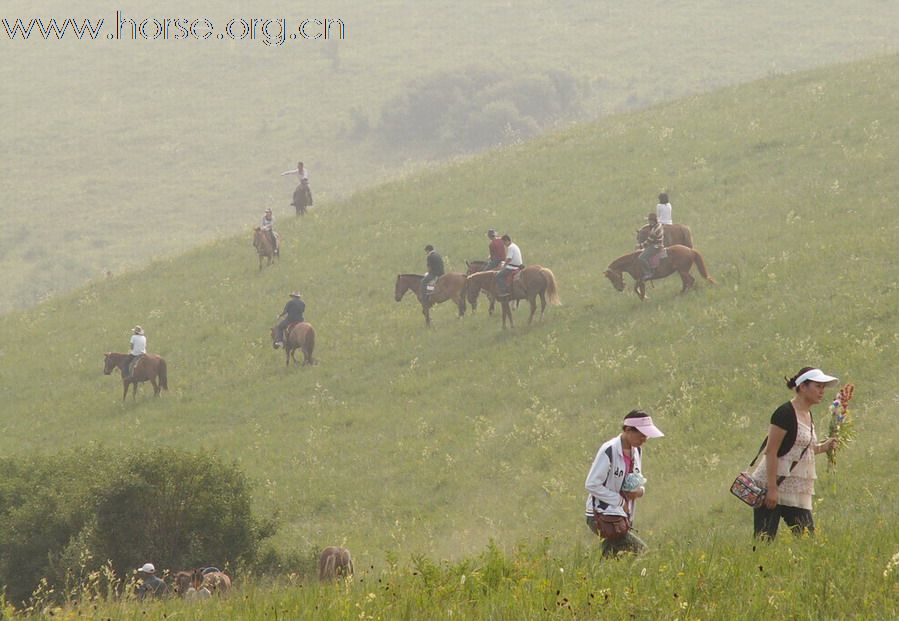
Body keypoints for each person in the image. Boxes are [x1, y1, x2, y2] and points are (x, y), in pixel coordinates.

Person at [751, 367, 840, 540]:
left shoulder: (807, 414)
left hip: (796, 489)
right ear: (802, 387)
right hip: (773, 485)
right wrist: (772, 489)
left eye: (823, 387)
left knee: (808, 539)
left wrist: (824, 447)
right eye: (818, 386)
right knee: (764, 540)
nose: (822, 391)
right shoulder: (784, 413)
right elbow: (771, 451)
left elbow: (801, 449)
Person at [585, 410, 664, 557]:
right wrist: (620, 501)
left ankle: (595, 575)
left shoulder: (637, 451)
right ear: (628, 430)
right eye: (642, 434)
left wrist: (639, 491)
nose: (645, 439)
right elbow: (591, 484)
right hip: (603, 515)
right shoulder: (609, 450)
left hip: (621, 517)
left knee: (610, 558)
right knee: (644, 552)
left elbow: (634, 481)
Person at [638, 213, 664, 281]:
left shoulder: (654, 230)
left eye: (650, 221)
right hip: (658, 244)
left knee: (641, 258)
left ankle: (648, 273)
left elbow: (648, 242)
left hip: (656, 246)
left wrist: (640, 246)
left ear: (653, 221)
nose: (649, 222)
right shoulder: (658, 225)